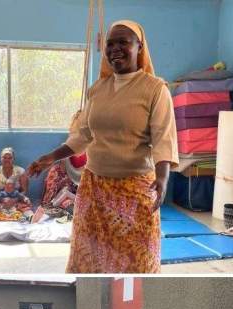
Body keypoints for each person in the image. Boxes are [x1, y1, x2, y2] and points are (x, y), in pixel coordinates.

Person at [27, 20, 178, 273]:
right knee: (90, 257)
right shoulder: (97, 90)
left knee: (136, 260)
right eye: (110, 43)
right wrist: (50, 157)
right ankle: (90, 306)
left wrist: (162, 178)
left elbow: (164, 137)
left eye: (123, 42)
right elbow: (83, 134)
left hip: (135, 188)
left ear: (139, 47)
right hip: (95, 188)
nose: (115, 48)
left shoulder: (155, 89)